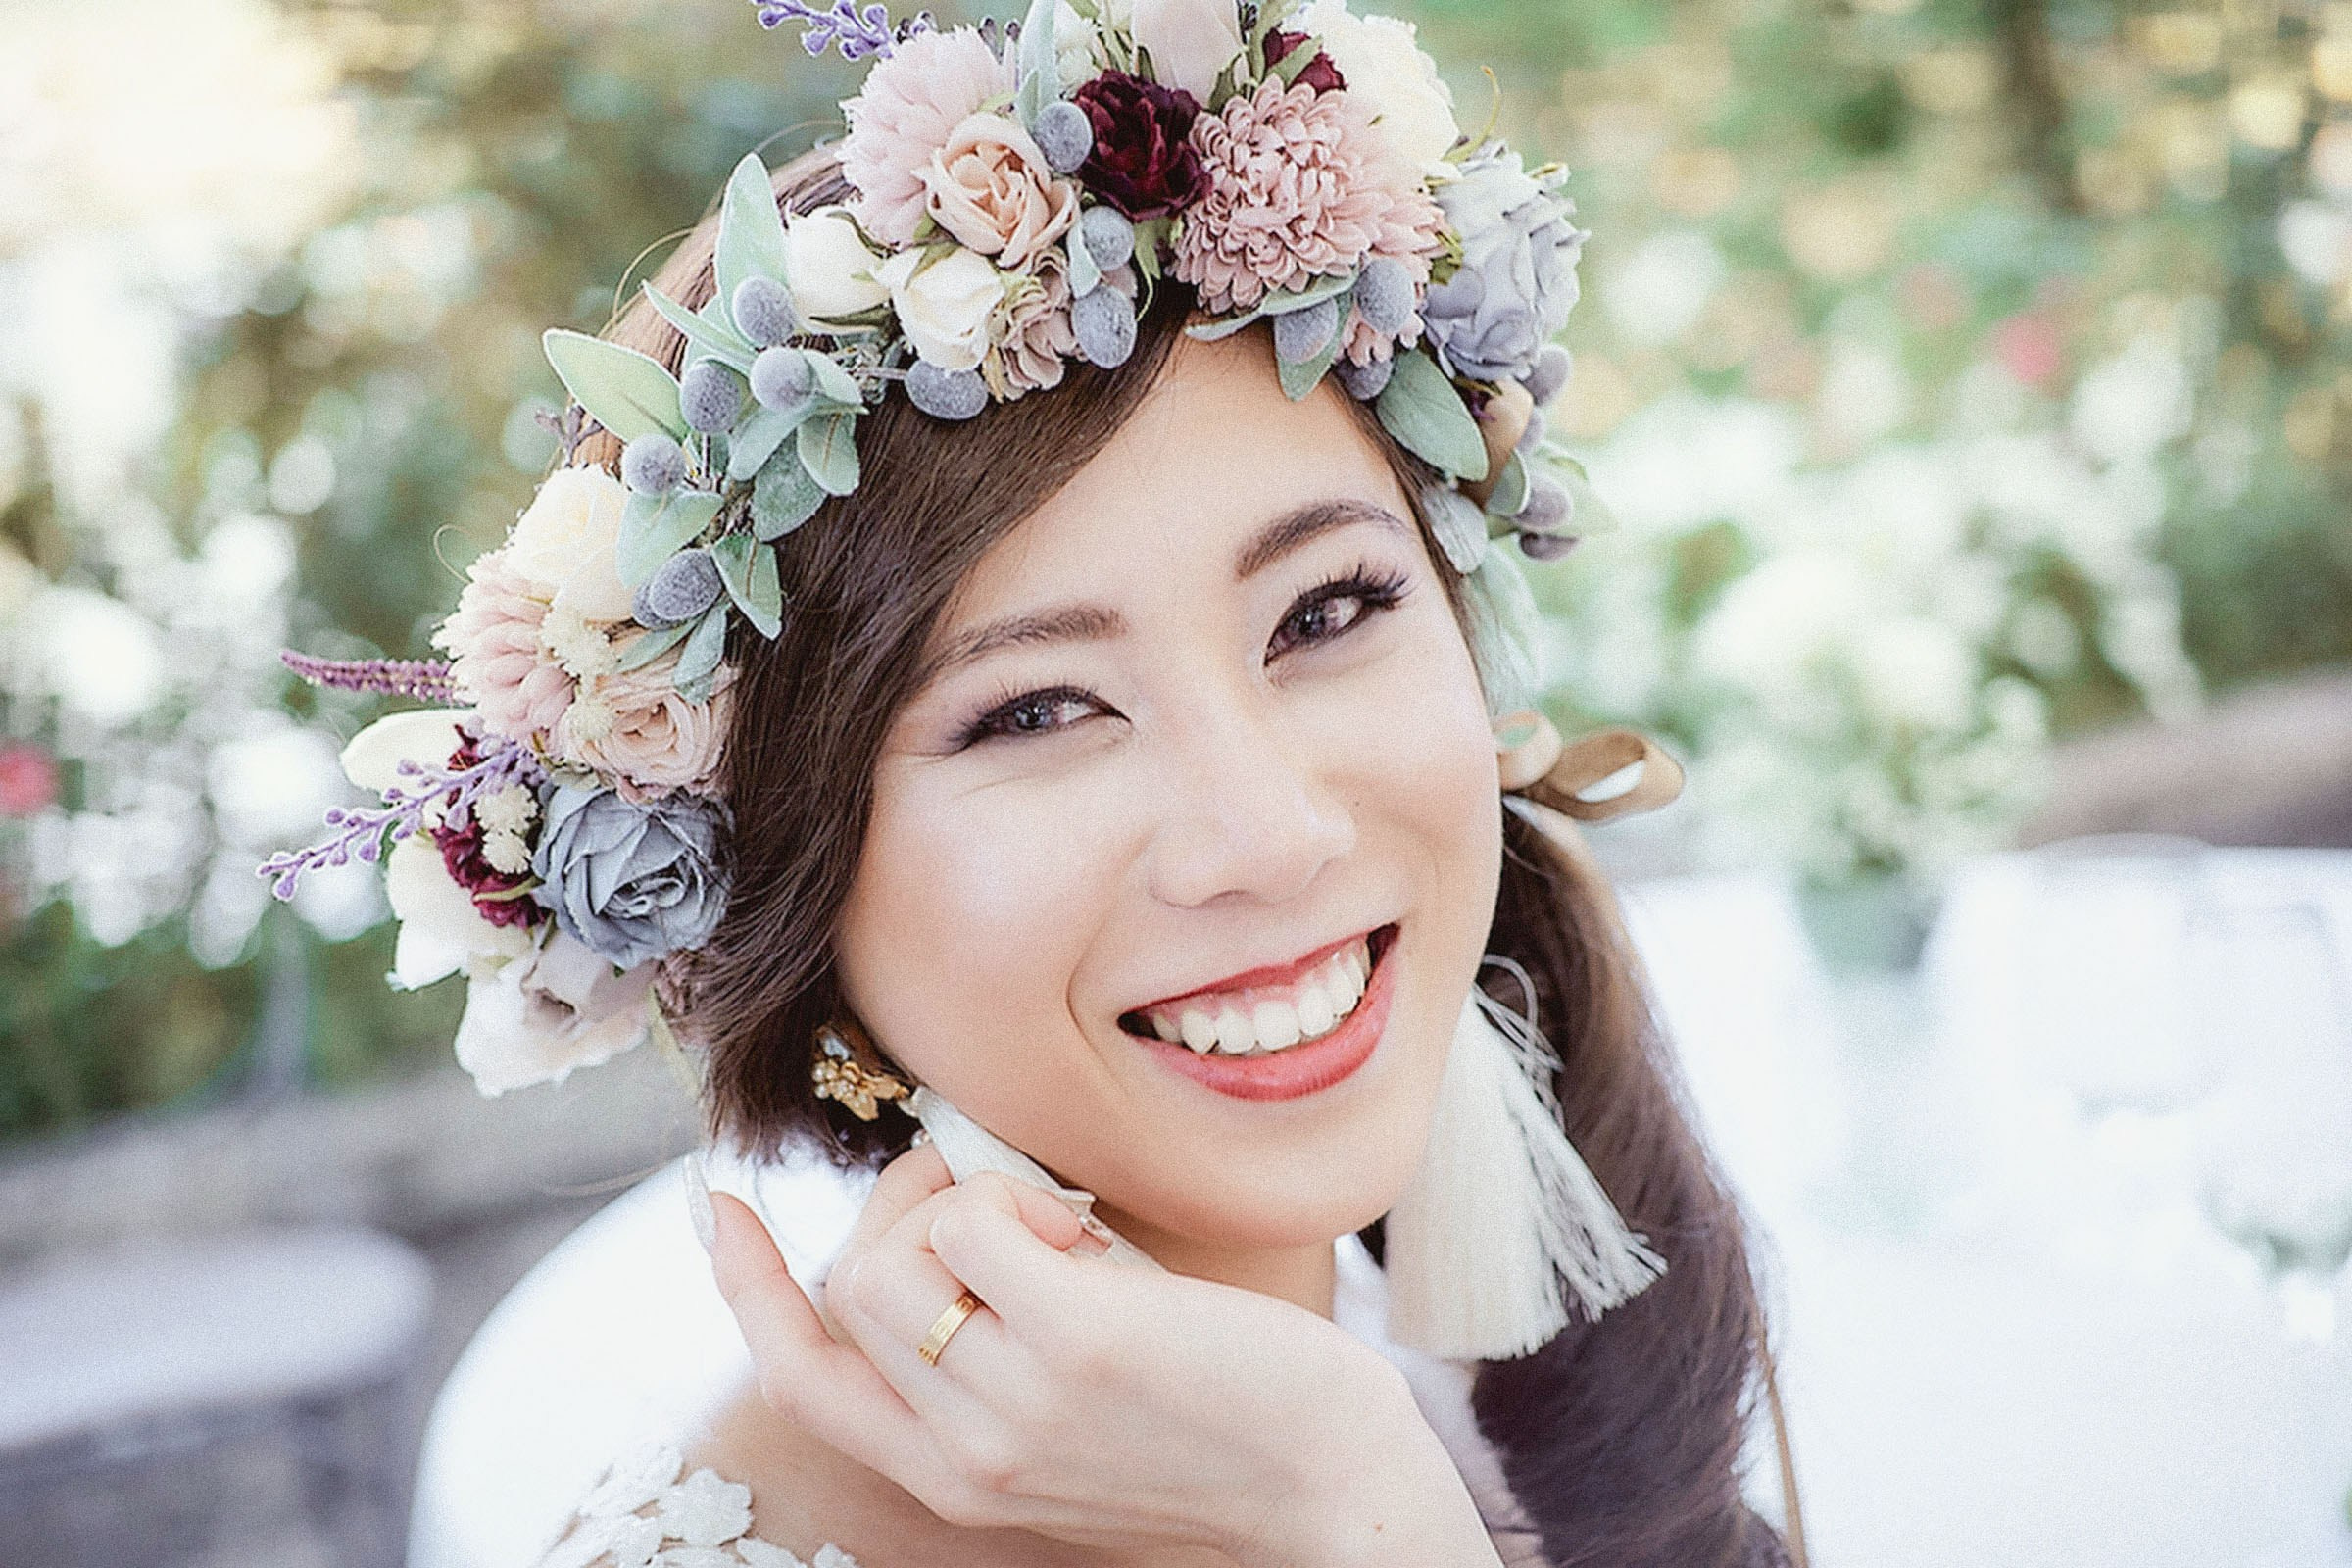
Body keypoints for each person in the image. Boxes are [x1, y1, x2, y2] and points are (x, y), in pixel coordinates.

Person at [267, 6, 1806, 1564]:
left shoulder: (1463, 1366)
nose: (1272, 835)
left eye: (1328, 613)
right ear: (776, 881)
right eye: (1036, 712)